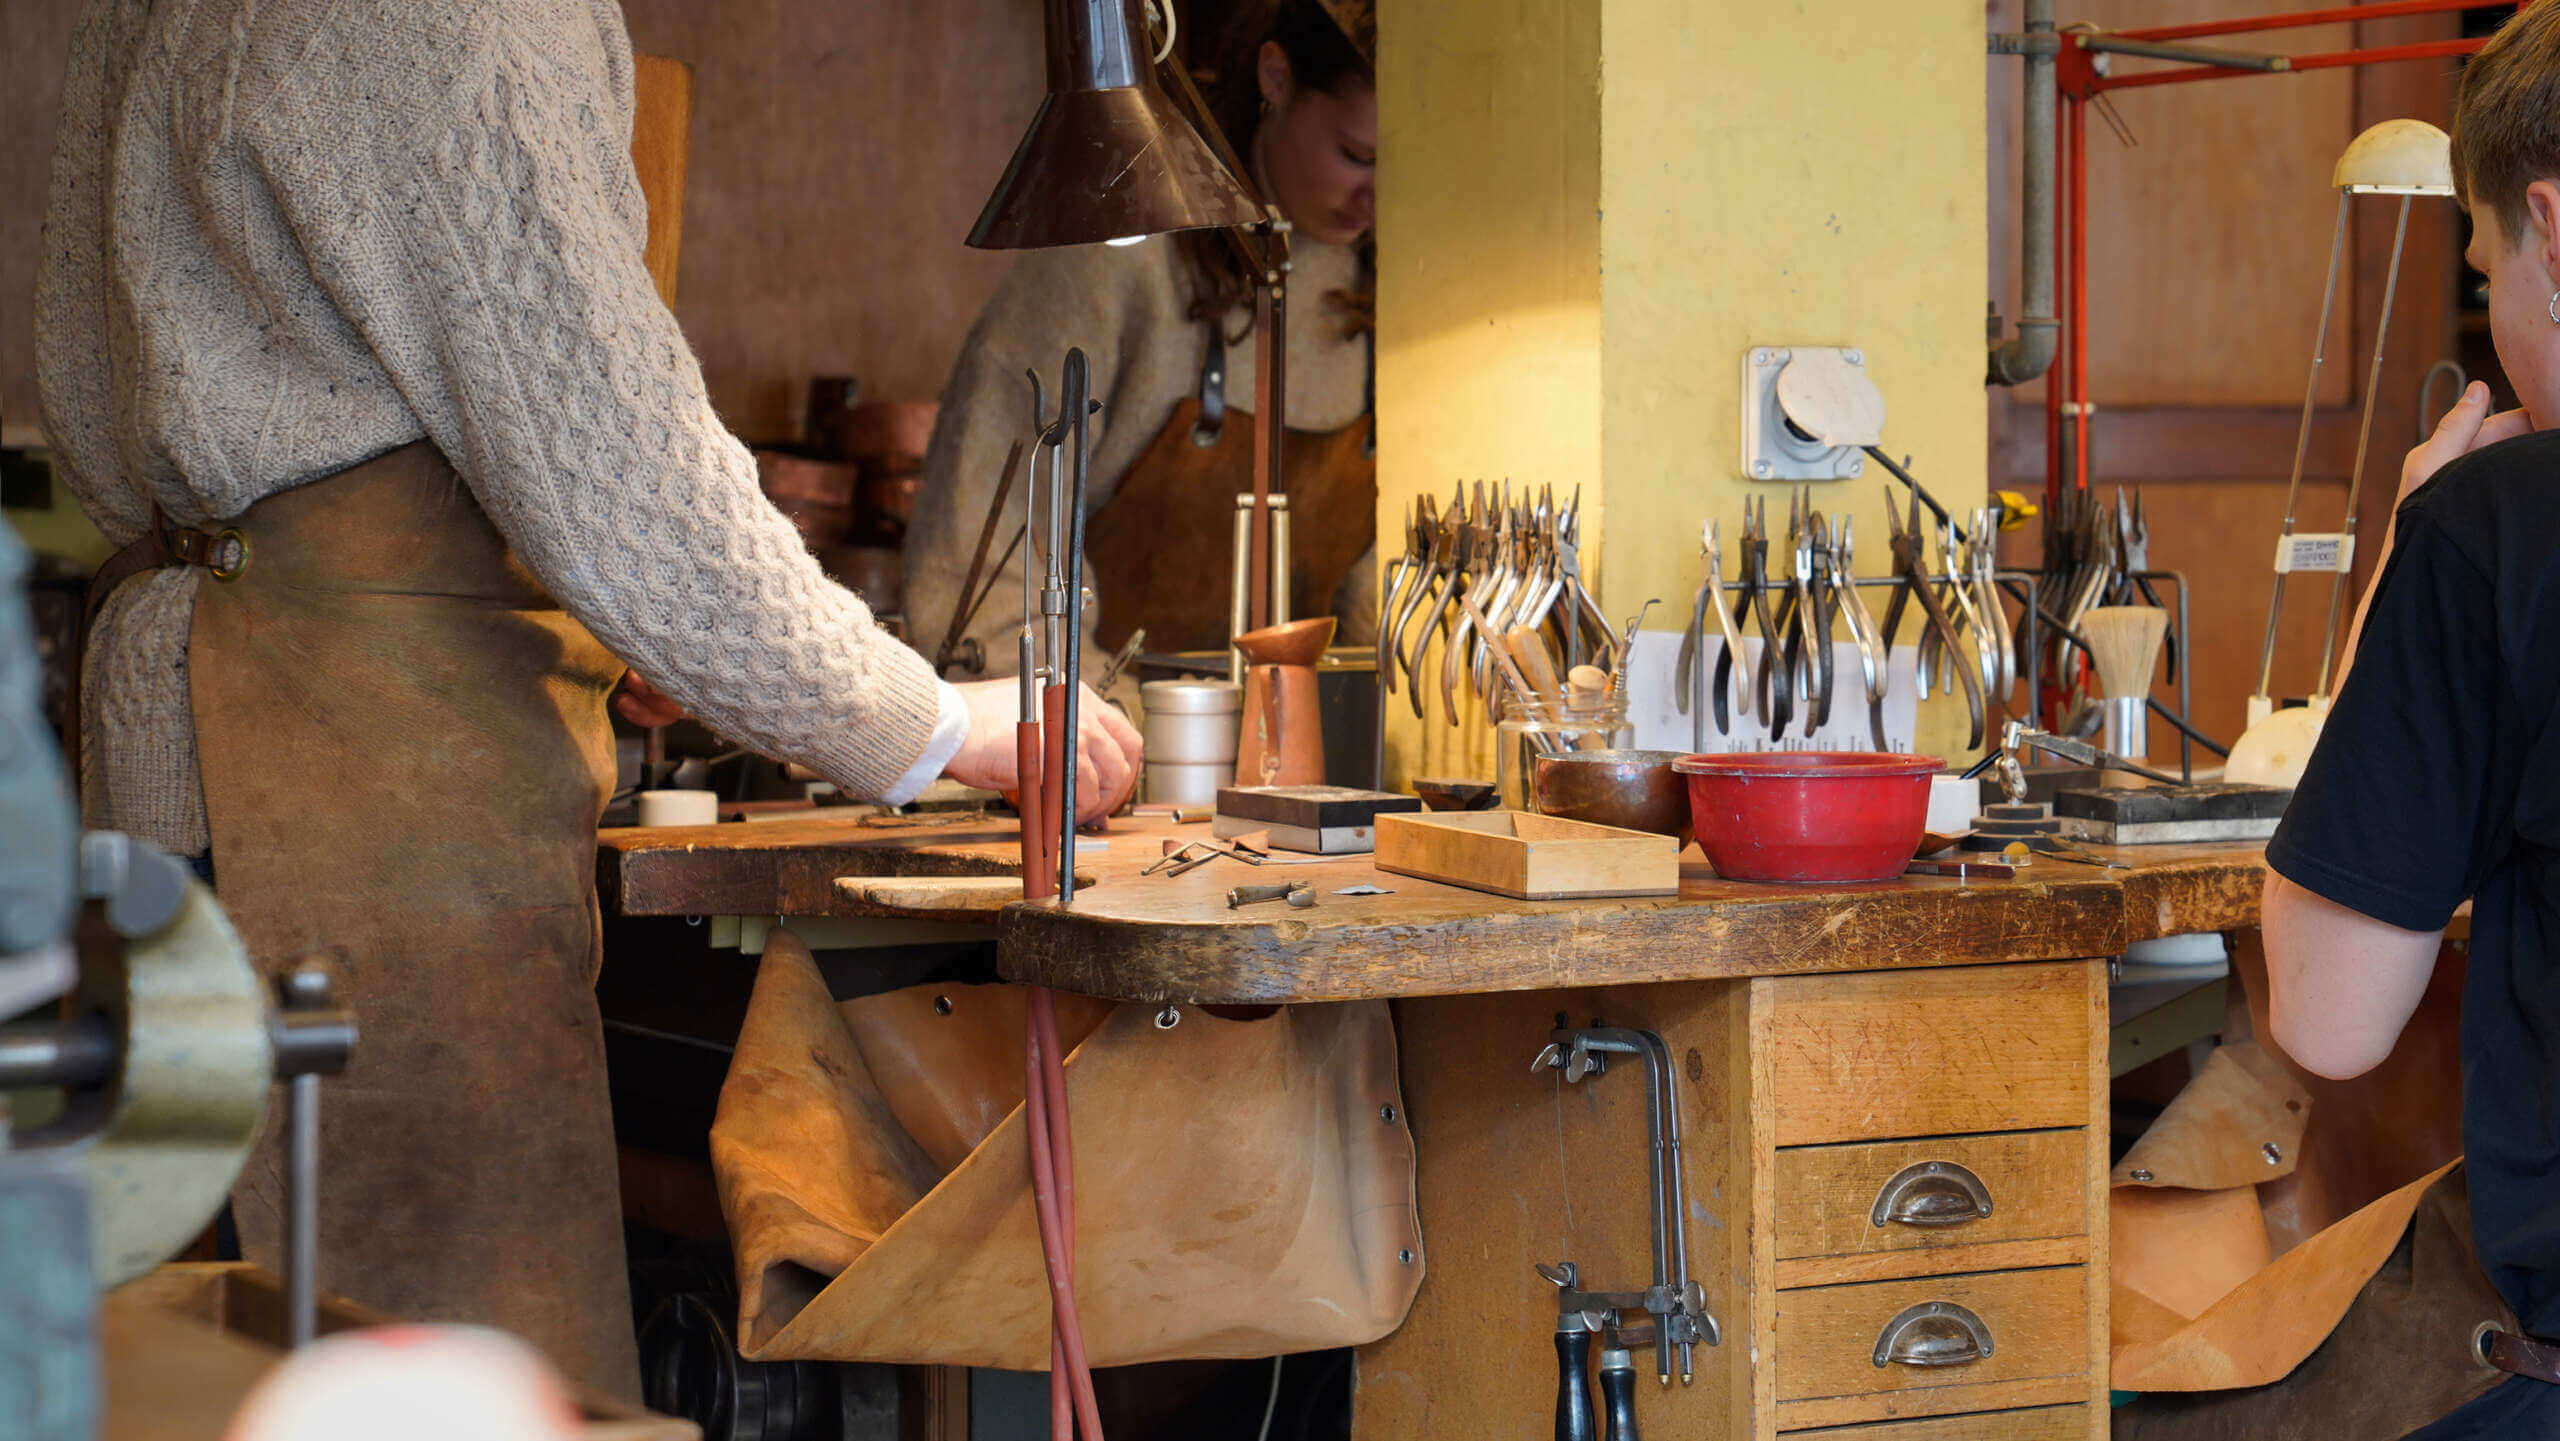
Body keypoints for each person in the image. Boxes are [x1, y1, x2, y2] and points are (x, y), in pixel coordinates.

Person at [35, 0, 1139, 1399]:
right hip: (358, 783)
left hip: (179, 746)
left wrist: (631, 609)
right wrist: (928, 723)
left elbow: (104, 402)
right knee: (440, 1383)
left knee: (199, 1375)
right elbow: (624, 466)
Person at [2252, 7, 2560, 1434]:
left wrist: (2404, 553)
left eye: (2488, 268)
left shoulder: (2497, 529)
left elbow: (2328, 1016)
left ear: (2553, 233)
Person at [904, 0, 1379, 679]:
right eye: (1356, 155)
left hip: (1294, 748)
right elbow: (987, 551)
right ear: (1276, 79)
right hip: (1107, 741)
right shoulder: (1121, 250)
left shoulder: (1385, 280)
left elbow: (1370, 595)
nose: (1376, 196)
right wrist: (1100, 726)